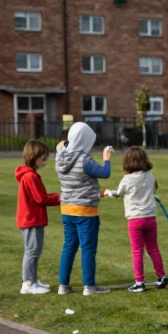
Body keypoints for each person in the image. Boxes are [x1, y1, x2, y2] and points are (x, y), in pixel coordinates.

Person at [55, 122, 113, 296]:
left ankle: (63, 285)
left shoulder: (60, 157)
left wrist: (63, 147)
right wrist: (107, 159)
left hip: (66, 209)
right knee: (88, 248)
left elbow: (60, 149)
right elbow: (105, 173)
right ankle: (89, 286)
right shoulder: (84, 160)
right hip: (85, 210)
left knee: (69, 246)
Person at [104, 147, 168, 293]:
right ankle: (162, 275)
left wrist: (107, 192)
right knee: (153, 248)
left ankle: (139, 281)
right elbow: (154, 188)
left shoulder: (127, 179)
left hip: (135, 220)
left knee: (137, 251)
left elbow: (118, 194)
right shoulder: (150, 176)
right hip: (150, 218)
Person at [15, 140, 60, 294]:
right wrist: (61, 197)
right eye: (43, 158)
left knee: (34, 249)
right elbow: (41, 198)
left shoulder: (29, 175)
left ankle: (33, 279)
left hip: (31, 218)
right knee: (32, 250)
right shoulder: (30, 176)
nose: (45, 162)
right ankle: (28, 283)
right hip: (31, 219)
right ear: (34, 157)